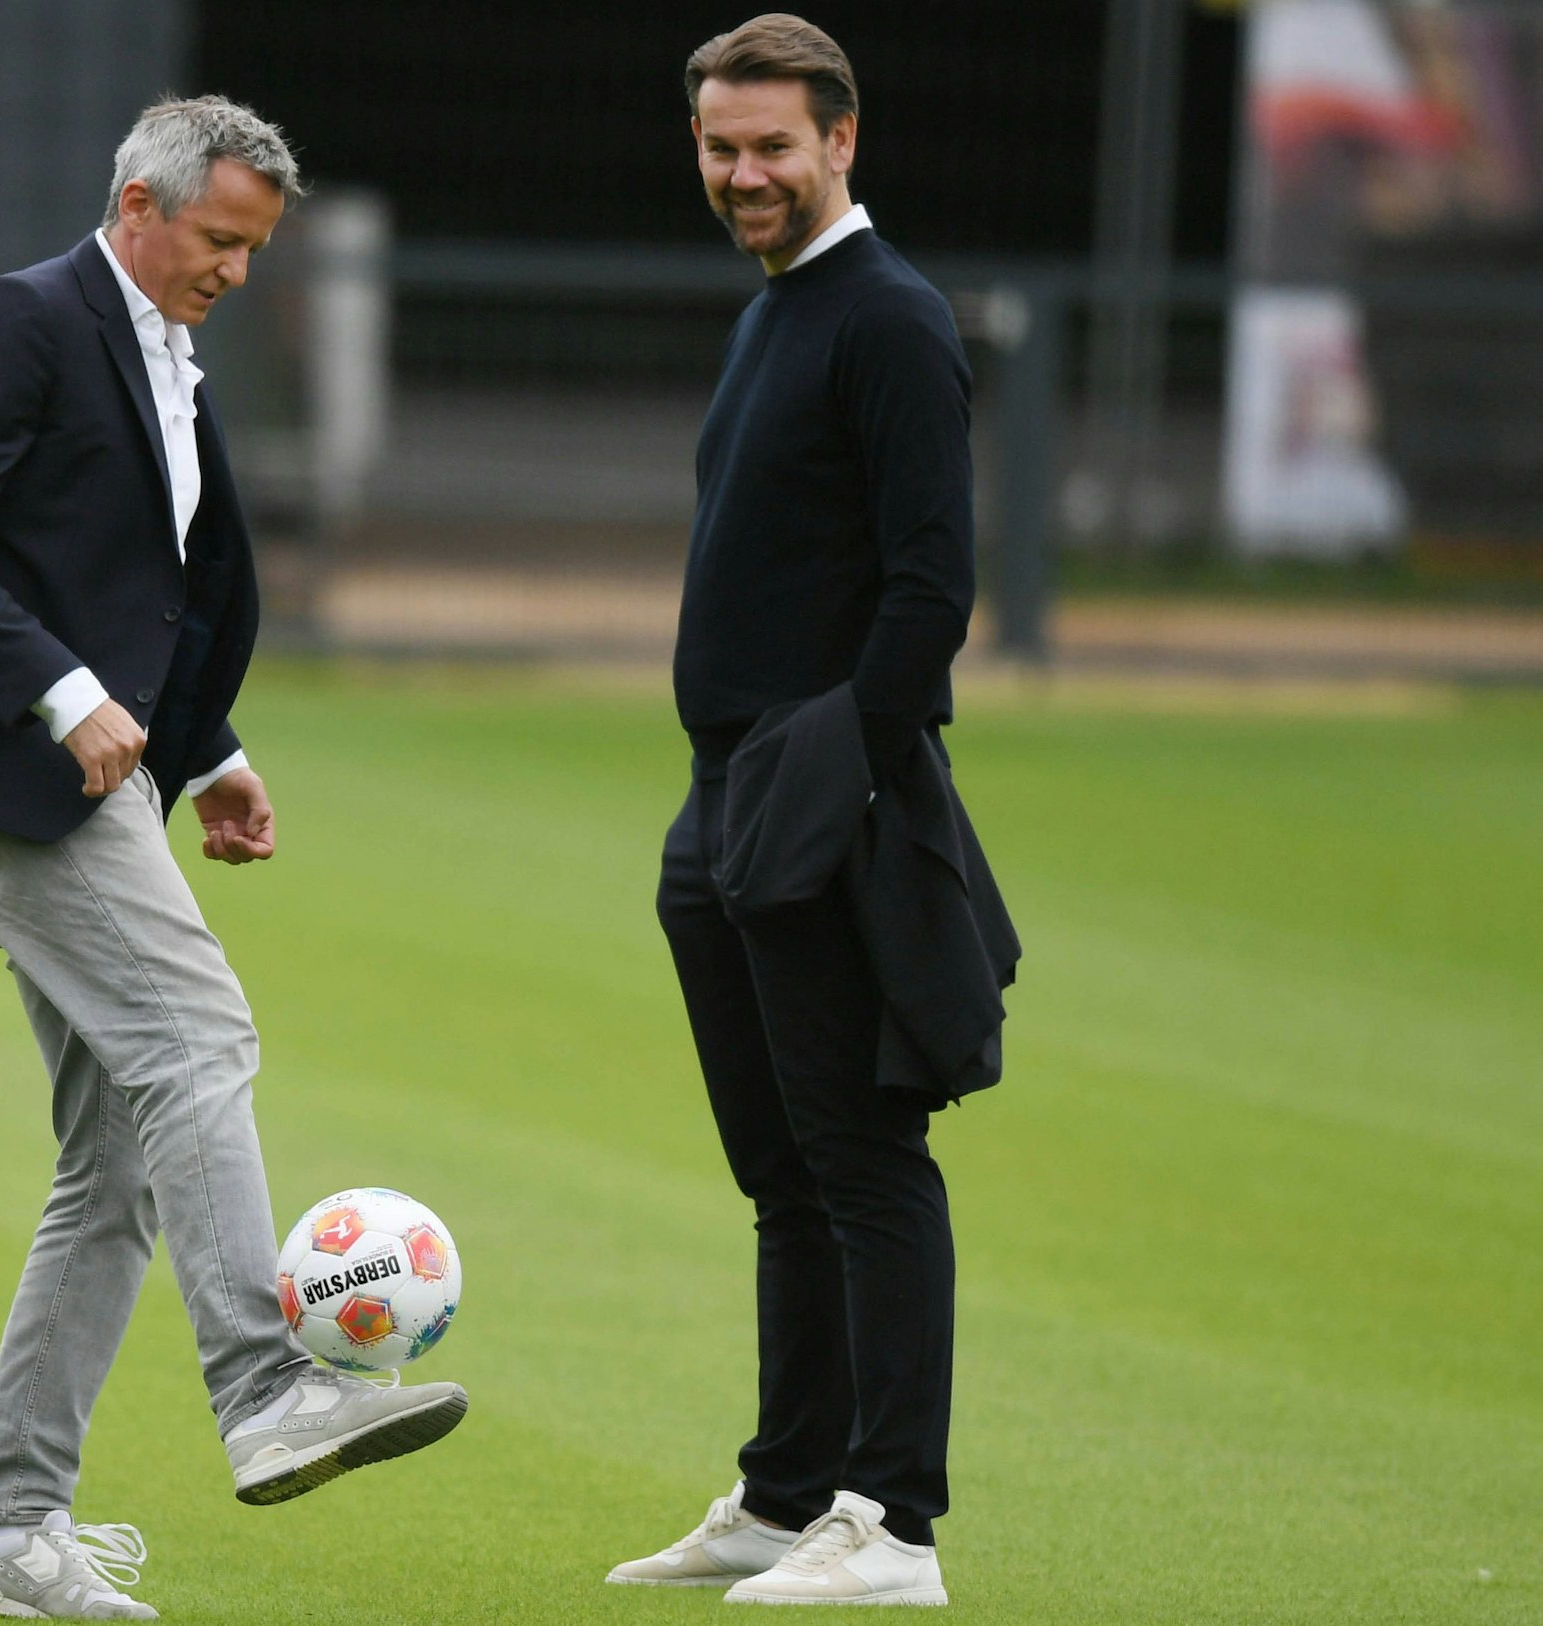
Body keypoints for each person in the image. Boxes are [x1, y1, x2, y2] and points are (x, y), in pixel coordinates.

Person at [0, 96, 466, 1621]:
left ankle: (9, 1525)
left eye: (255, 249)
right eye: (221, 241)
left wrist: (212, 745)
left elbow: (135, 583)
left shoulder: (166, 343)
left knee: (115, 1154)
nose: (238, 273)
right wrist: (62, 695)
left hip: (82, 761)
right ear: (138, 204)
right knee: (199, 1038)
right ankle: (268, 1388)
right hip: (1, 755)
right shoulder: (26, 320)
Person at [605, 15, 1015, 1609]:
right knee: (782, 1169)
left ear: (842, 140)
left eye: (773, 145)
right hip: (723, 790)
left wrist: (831, 774)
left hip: (816, 793)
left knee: (864, 1159)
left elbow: (931, 591)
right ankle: (786, 1497)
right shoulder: (778, 309)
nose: (744, 173)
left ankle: (892, 1524)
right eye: (721, 146)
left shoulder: (888, 316)